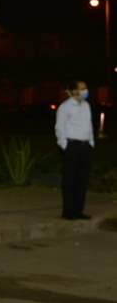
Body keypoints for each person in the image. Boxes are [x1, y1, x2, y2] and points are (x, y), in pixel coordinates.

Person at [55, 79, 95, 220]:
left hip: (85, 146)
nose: (85, 91)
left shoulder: (86, 105)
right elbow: (59, 128)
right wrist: (65, 145)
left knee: (82, 180)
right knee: (70, 179)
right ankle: (68, 212)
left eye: (85, 88)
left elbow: (89, 125)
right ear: (73, 91)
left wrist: (91, 142)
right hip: (72, 146)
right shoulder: (65, 107)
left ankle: (78, 211)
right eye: (82, 88)